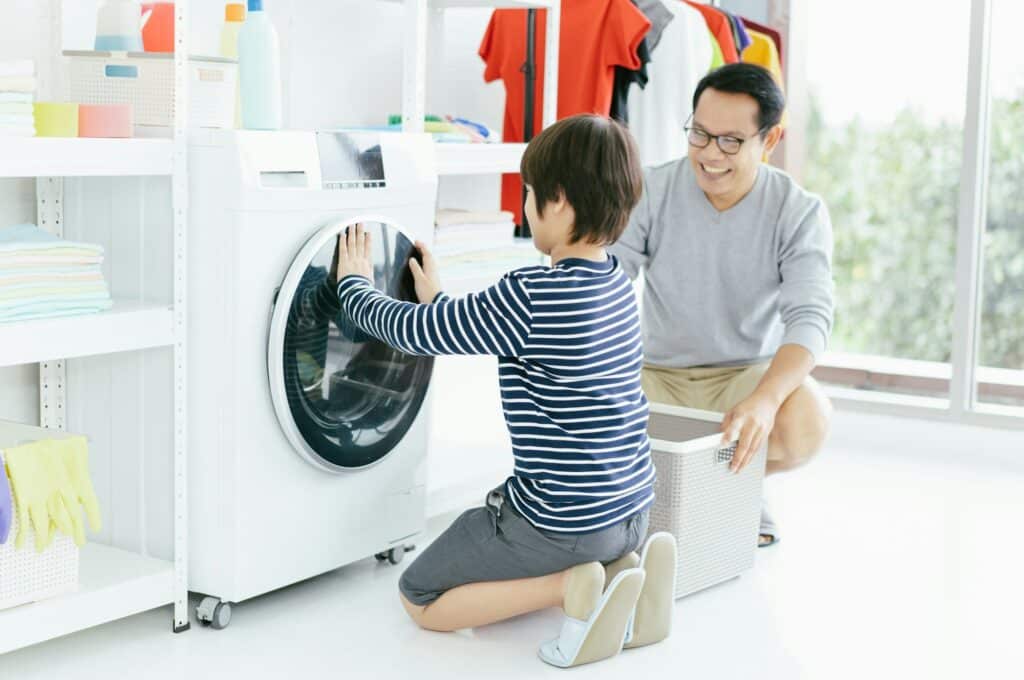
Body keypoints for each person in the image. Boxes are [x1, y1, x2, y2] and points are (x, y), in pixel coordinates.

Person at [331, 114, 676, 668]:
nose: (525, 206)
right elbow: (467, 327)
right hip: (631, 509)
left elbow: (412, 334)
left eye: (531, 193)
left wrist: (351, 287)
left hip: (563, 524)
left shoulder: (531, 292)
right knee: (578, 538)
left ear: (559, 201)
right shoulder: (616, 285)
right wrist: (438, 298)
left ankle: (569, 587)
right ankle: (622, 572)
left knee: (420, 596)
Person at [609, 63, 835, 546]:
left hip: (744, 379)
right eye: (700, 134)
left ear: (769, 141)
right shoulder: (651, 188)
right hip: (657, 375)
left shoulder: (798, 210)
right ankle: (713, 500)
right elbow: (609, 278)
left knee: (807, 419)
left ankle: (727, 495)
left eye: (731, 141)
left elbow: (810, 320)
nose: (710, 154)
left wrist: (766, 400)